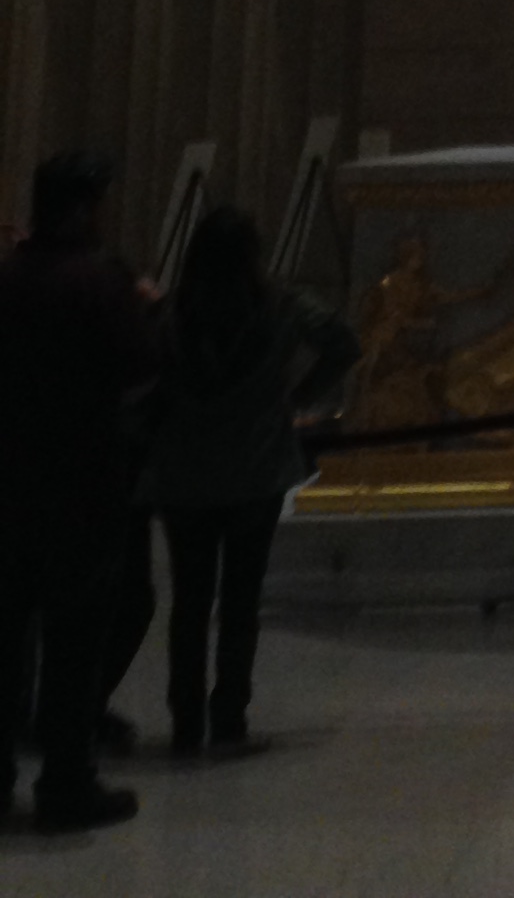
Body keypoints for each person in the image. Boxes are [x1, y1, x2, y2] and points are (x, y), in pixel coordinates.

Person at [144, 205, 358, 753]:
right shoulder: (283, 305)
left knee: (190, 600)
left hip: (187, 471)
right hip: (254, 468)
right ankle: (230, 713)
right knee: (241, 598)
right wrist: (299, 396)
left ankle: (185, 717)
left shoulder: (171, 311)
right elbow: (342, 342)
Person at [0, 151, 160, 829]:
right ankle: (66, 783)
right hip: (79, 486)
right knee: (73, 644)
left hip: (7, 484)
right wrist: (148, 308)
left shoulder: (6, 277)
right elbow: (143, 366)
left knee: (5, 639)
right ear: (82, 207)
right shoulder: (97, 282)